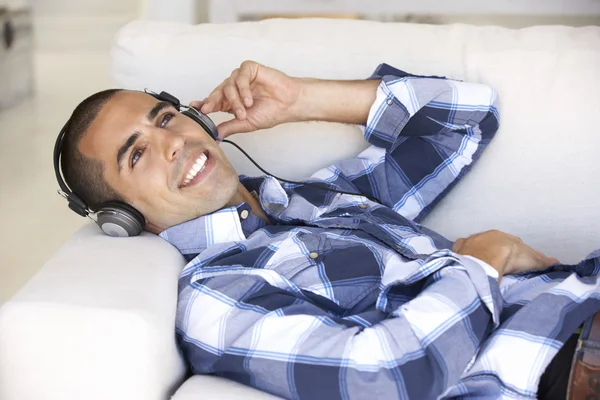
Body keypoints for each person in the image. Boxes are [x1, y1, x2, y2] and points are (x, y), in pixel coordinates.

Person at [56, 61, 600, 399]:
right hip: (561, 360)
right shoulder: (217, 297)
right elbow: (386, 376)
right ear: (123, 218)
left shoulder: (316, 198)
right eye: (138, 154)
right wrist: (482, 264)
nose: (171, 141)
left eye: (164, 118)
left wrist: (300, 100)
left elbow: (466, 115)